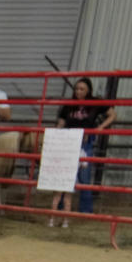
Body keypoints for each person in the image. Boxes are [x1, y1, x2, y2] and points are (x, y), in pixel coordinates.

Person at [50, 77, 116, 226]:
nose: (78, 92)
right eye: (77, 88)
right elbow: (61, 122)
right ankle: (61, 209)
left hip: (85, 142)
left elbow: (112, 114)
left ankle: (85, 209)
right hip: (68, 142)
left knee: (84, 175)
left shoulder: (95, 103)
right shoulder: (69, 106)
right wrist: (56, 136)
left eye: (82, 89)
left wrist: (100, 128)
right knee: (65, 175)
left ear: (88, 91)